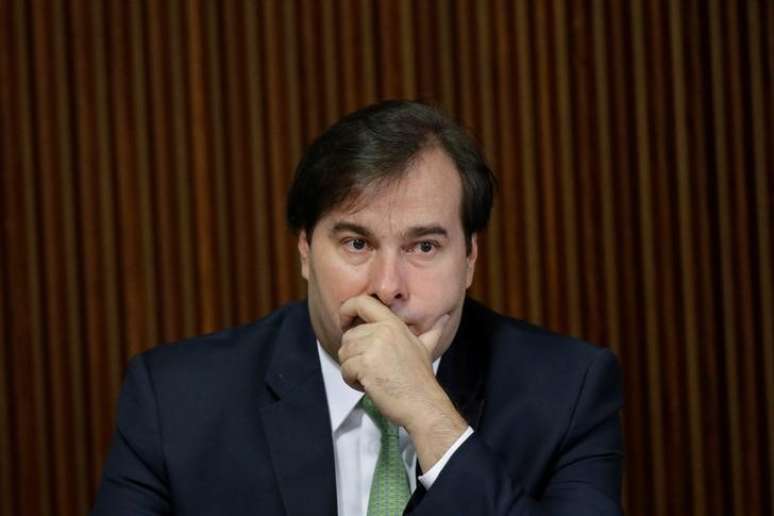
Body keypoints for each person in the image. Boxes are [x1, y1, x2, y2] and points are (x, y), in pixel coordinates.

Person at [91, 100, 623, 516]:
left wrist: (429, 415)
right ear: (304, 250)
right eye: (356, 244)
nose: (387, 287)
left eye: (424, 247)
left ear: (470, 260)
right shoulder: (175, 400)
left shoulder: (568, 390)